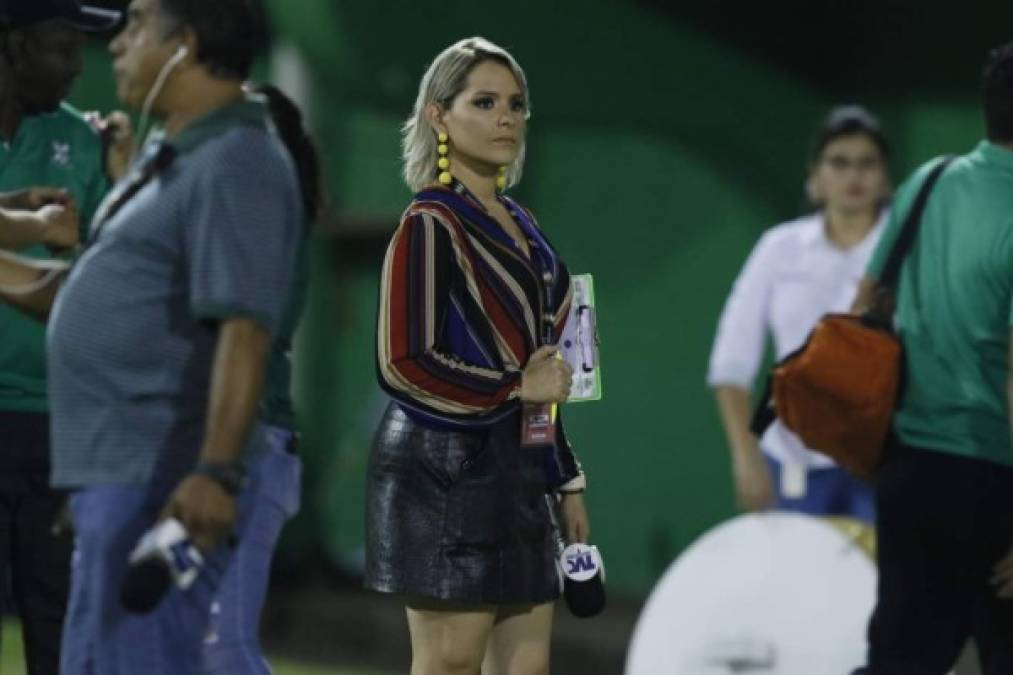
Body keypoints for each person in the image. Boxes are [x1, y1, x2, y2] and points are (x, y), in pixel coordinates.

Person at [0, 0, 303, 672]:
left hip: (161, 482)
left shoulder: (237, 158)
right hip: (115, 476)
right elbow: (80, 295)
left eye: (136, 25)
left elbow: (244, 332)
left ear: (185, 43)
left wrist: (213, 474)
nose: (114, 47)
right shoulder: (170, 154)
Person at [367, 37, 590, 675]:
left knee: (525, 668)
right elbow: (401, 361)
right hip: (445, 465)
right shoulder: (429, 222)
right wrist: (516, 386)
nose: (506, 119)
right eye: (484, 102)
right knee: (452, 664)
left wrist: (565, 477)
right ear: (439, 115)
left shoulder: (526, 224)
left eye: (516, 105)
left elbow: (548, 367)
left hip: (520, 464)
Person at [851, 43, 1013, 674]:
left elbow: (866, 300)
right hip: (993, 479)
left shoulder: (931, 178)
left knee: (899, 660)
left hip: (910, 468)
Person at [0, 1, 117, 671]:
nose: (78, 68)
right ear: (14, 46)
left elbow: (108, 286)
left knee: (62, 628)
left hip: (58, 425)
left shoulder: (87, 141)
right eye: (62, 48)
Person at [708, 106, 891, 522]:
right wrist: (746, 456)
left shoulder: (908, 251)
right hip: (792, 467)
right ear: (816, 176)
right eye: (839, 163)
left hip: (885, 464)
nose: (853, 176)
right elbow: (731, 363)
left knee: (888, 587)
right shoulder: (779, 249)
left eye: (867, 163)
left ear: (884, 177)